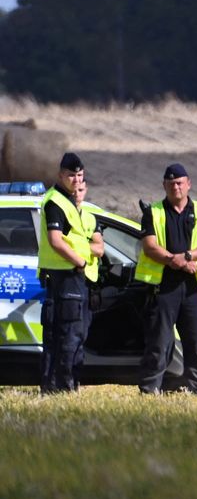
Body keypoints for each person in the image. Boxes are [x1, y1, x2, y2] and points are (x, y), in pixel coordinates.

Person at [134, 164, 197, 394]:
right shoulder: (153, 212)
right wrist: (175, 260)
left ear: (188, 184)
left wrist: (188, 256)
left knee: (195, 343)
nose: (176, 186)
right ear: (164, 186)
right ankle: (150, 389)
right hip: (164, 287)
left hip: (192, 287)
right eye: (171, 183)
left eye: (180, 182)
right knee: (158, 343)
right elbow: (150, 247)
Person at [37, 153, 103, 393]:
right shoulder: (56, 202)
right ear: (60, 175)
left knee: (65, 335)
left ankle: (59, 386)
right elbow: (56, 241)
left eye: (79, 175)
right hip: (66, 276)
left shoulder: (68, 203)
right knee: (67, 336)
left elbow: (95, 244)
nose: (76, 180)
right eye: (71, 175)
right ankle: (60, 388)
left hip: (70, 278)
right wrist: (81, 262)